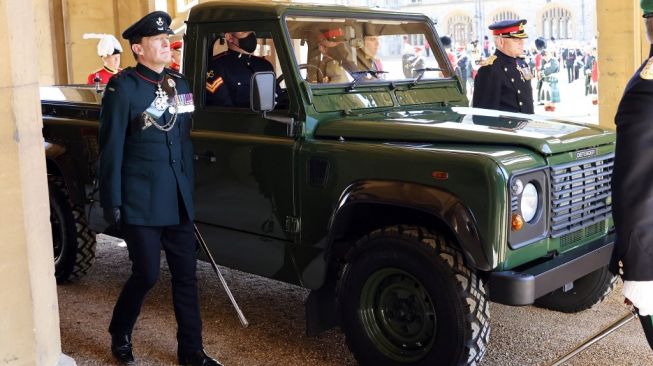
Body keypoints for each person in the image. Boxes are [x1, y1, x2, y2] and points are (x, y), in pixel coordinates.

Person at [98, 11, 221, 365]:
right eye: (158, 40)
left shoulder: (178, 84)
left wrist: (189, 192)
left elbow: (182, 142)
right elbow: (112, 149)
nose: (167, 43)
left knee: (186, 276)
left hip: (177, 200)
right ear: (138, 48)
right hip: (140, 201)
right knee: (146, 274)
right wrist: (112, 201)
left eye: (168, 38)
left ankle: (192, 351)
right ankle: (120, 331)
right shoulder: (123, 88)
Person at [611, 0, 653, 351]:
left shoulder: (648, 87)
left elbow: (634, 186)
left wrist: (642, 271)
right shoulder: (647, 88)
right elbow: (636, 187)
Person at [472, 19, 534, 114]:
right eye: (516, 39)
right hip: (507, 127)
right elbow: (484, 115)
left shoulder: (522, 64)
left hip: (526, 125)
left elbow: (527, 100)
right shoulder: (489, 70)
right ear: (501, 41)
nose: (522, 43)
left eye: (522, 39)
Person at [205, 32, 273, 106]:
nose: (251, 35)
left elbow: (277, 98)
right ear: (229, 37)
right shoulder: (217, 66)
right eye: (244, 32)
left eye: (252, 31)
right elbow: (222, 107)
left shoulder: (265, 65)